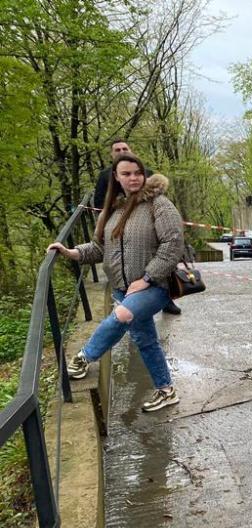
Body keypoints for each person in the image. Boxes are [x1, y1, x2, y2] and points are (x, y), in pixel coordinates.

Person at [48, 154, 185, 413]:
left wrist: (146, 278)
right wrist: (70, 252)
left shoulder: (159, 204)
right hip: (123, 287)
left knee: (120, 315)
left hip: (155, 286)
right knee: (146, 341)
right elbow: (100, 248)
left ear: (144, 174)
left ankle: (82, 358)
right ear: (117, 177)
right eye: (126, 173)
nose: (133, 178)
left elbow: (173, 244)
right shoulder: (113, 209)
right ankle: (166, 390)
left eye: (137, 172)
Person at [93, 140, 181, 315]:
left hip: (145, 230)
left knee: (119, 320)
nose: (133, 178)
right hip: (117, 226)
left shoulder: (147, 177)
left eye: (124, 148)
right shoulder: (105, 176)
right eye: (117, 149)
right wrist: (105, 227)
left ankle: (166, 297)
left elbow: (172, 241)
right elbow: (99, 202)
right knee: (141, 332)